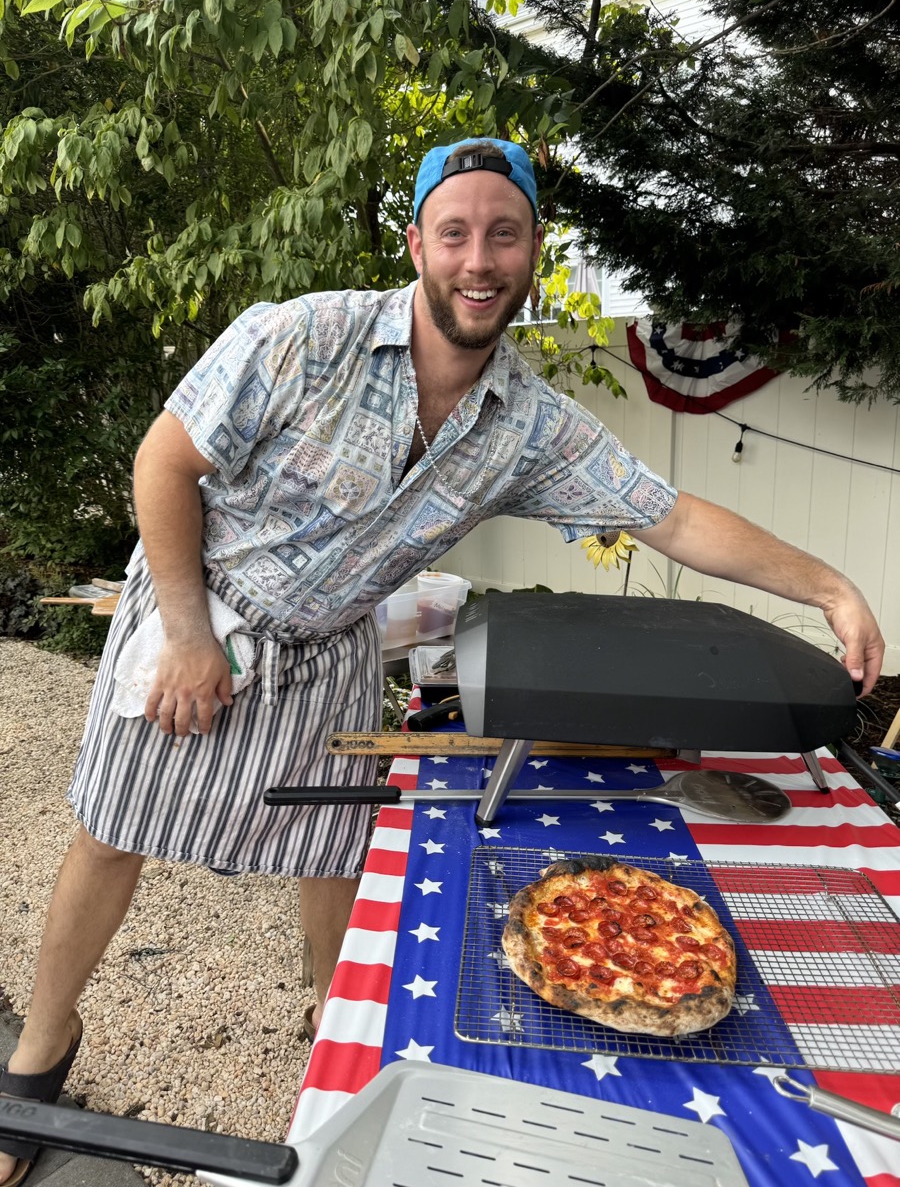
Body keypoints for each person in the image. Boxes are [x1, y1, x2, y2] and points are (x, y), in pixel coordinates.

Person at [0, 137, 884, 1186]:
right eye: (455, 232)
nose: (478, 258)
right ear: (416, 240)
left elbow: (674, 515)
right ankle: (40, 1053)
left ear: (532, 252)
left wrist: (828, 586)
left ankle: (337, 1025)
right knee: (112, 833)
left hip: (332, 643)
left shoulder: (529, 429)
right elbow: (164, 460)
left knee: (330, 846)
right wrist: (191, 635)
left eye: (503, 235)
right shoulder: (300, 334)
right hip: (195, 606)